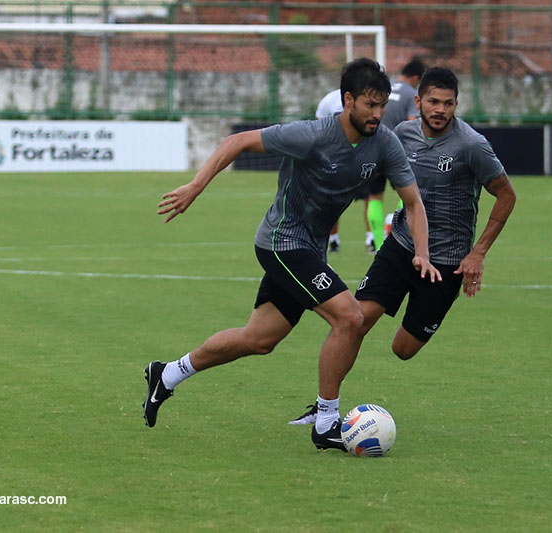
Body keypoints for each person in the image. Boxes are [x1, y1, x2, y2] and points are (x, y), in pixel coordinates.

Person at [144, 58, 441, 452]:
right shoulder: (312, 135)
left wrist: (422, 252)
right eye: (370, 105)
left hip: (309, 250)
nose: (378, 114)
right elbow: (238, 141)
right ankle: (326, 421)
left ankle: (167, 375)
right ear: (347, 100)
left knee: (259, 339)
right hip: (281, 242)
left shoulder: (383, 143)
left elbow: (413, 203)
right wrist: (196, 186)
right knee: (349, 317)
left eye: (382, 105)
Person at [290, 66, 516, 425]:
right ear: (418, 101)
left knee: (403, 350)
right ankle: (324, 410)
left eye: (448, 103)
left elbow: (506, 195)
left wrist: (479, 252)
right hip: (400, 247)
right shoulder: (402, 134)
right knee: (355, 322)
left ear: (456, 105)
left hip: (446, 264)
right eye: (433, 101)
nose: (440, 109)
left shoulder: (472, 145)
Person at [366, 57, 426, 252]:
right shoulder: (411, 93)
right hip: (397, 152)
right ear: (416, 77)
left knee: (375, 197)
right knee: (407, 195)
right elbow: (412, 122)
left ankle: (376, 243)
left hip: (373, 149)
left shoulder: (384, 88)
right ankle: (400, 237)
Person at [314, 88, 350, 253]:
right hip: (332, 159)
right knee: (330, 200)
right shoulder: (330, 99)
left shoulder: (365, 102)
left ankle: (372, 237)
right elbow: (318, 122)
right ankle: (333, 239)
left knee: (371, 199)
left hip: (359, 156)